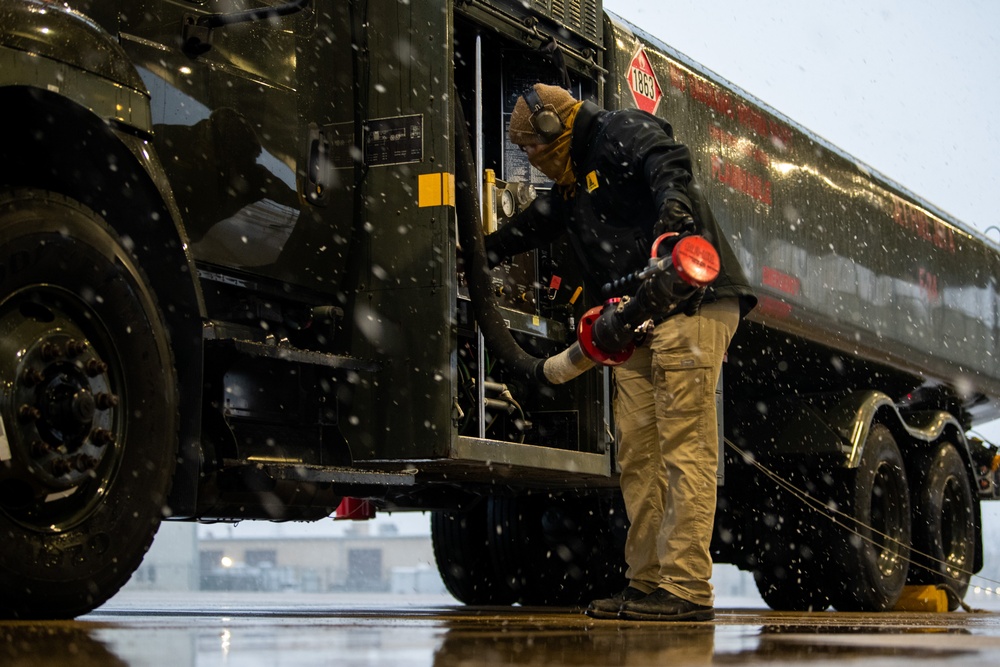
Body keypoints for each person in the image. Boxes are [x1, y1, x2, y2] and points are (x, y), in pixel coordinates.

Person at [485, 83, 757, 621]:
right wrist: (483, 250)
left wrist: (673, 217)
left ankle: (685, 589)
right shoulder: (572, 187)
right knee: (639, 455)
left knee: (684, 445)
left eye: (533, 148)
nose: (534, 159)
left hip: (690, 298)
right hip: (633, 318)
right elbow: (535, 222)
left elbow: (668, 161)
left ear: (552, 128)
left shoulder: (620, 130)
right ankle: (647, 583)